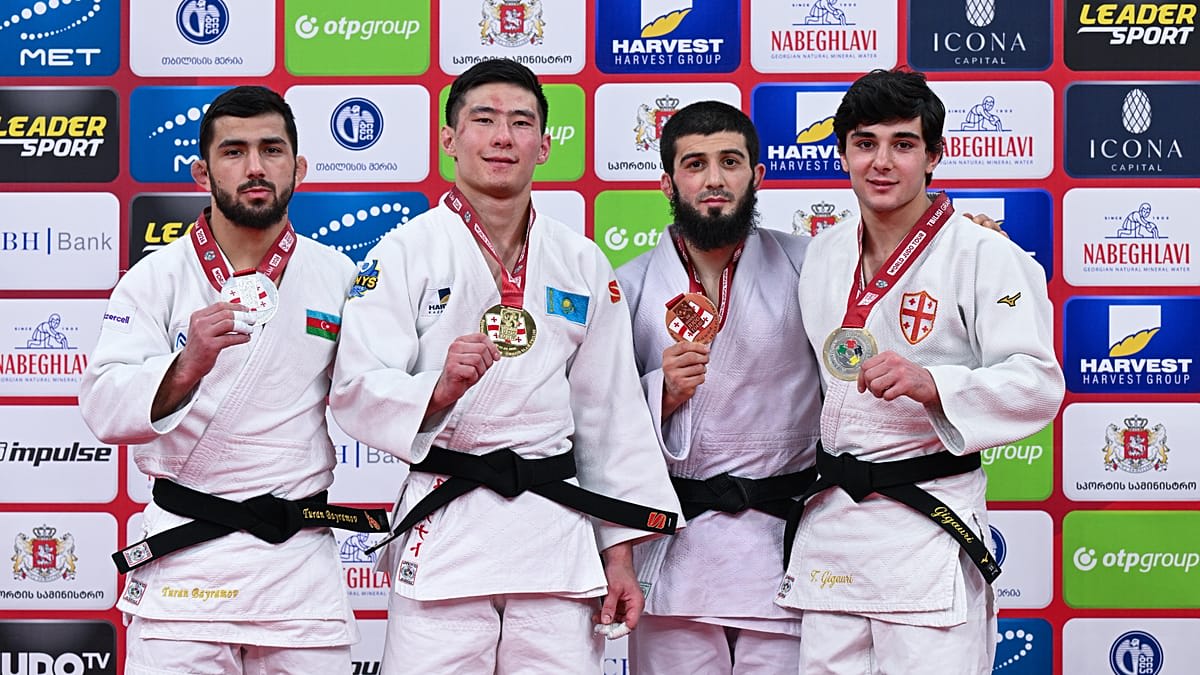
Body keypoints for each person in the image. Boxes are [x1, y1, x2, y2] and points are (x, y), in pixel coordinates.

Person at [328, 58, 681, 674]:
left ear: (544, 145)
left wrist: (619, 553)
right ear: (448, 140)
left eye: (521, 123)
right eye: (483, 120)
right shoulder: (405, 251)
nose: (502, 137)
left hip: (553, 534)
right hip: (448, 525)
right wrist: (436, 390)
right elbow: (356, 384)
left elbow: (610, 414)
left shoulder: (581, 261)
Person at [79, 86, 387, 674]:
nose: (254, 167)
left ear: (297, 168)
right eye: (234, 151)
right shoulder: (155, 279)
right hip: (188, 566)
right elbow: (102, 405)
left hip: (294, 565)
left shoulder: (339, 276)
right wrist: (185, 366)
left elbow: (372, 397)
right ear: (202, 172)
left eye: (272, 150)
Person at [777, 68, 1064, 674]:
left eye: (903, 145)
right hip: (835, 523)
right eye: (864, 142)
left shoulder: (985, 255)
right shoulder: (823, 252)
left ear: (934, 155)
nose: (882, 162)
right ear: (843, 152)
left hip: (926, 521)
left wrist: (937, 384)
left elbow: (1038, 382)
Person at [616, 101, 822, 674]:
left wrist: (961, 237)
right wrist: (659, 394)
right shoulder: (628, 286)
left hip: (783, 541)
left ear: (757, 176)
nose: (713, 179)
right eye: (695, 164)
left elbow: (887, 271)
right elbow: (592, 418)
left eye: (730, 161)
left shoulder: (811, 265)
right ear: (667, 182)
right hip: (677, 549)